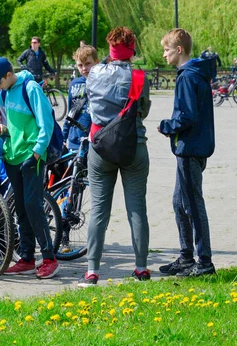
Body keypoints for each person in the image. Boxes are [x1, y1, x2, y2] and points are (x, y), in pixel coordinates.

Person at [79, 27, 151, 287]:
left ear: (110, 49)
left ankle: (92, 271)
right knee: (137, 209)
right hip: (134, 146)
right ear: (132, 50)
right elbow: (142, 111)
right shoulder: (139, 76)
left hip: (99, 148)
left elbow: (91, 103)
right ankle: (142, 268)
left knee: (99, 210)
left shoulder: (93, 73)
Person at [0, 57, 60, 279]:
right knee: (20, 208)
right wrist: (4, 129)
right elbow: (12, 124)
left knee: (33, 206)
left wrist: (37, 152)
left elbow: (45, 123)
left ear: (8, 75)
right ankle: (27, 258)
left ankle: (49, 258)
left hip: (32, 156)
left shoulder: (31, 88)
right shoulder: (3, 92)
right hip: (12, 156)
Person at [158, 28, 216, 277]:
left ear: (179, 50)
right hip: (191, 147)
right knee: (179, 203)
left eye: (167, 50)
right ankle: (185, 257)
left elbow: (187, 116)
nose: (164, 55)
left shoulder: (187, 77)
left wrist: (166, 126)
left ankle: (204, 263)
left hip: (190, 148)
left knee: (192, 204)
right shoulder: (193, 73)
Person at [62, 45, 96, 151]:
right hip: (75, 141)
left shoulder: (102, 82)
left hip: (94, 140)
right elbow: (71, 112)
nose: (84, 68)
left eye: (88, 64)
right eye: (80, 65)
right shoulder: (74, 84)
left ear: (97, 62)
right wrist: (64, 137)